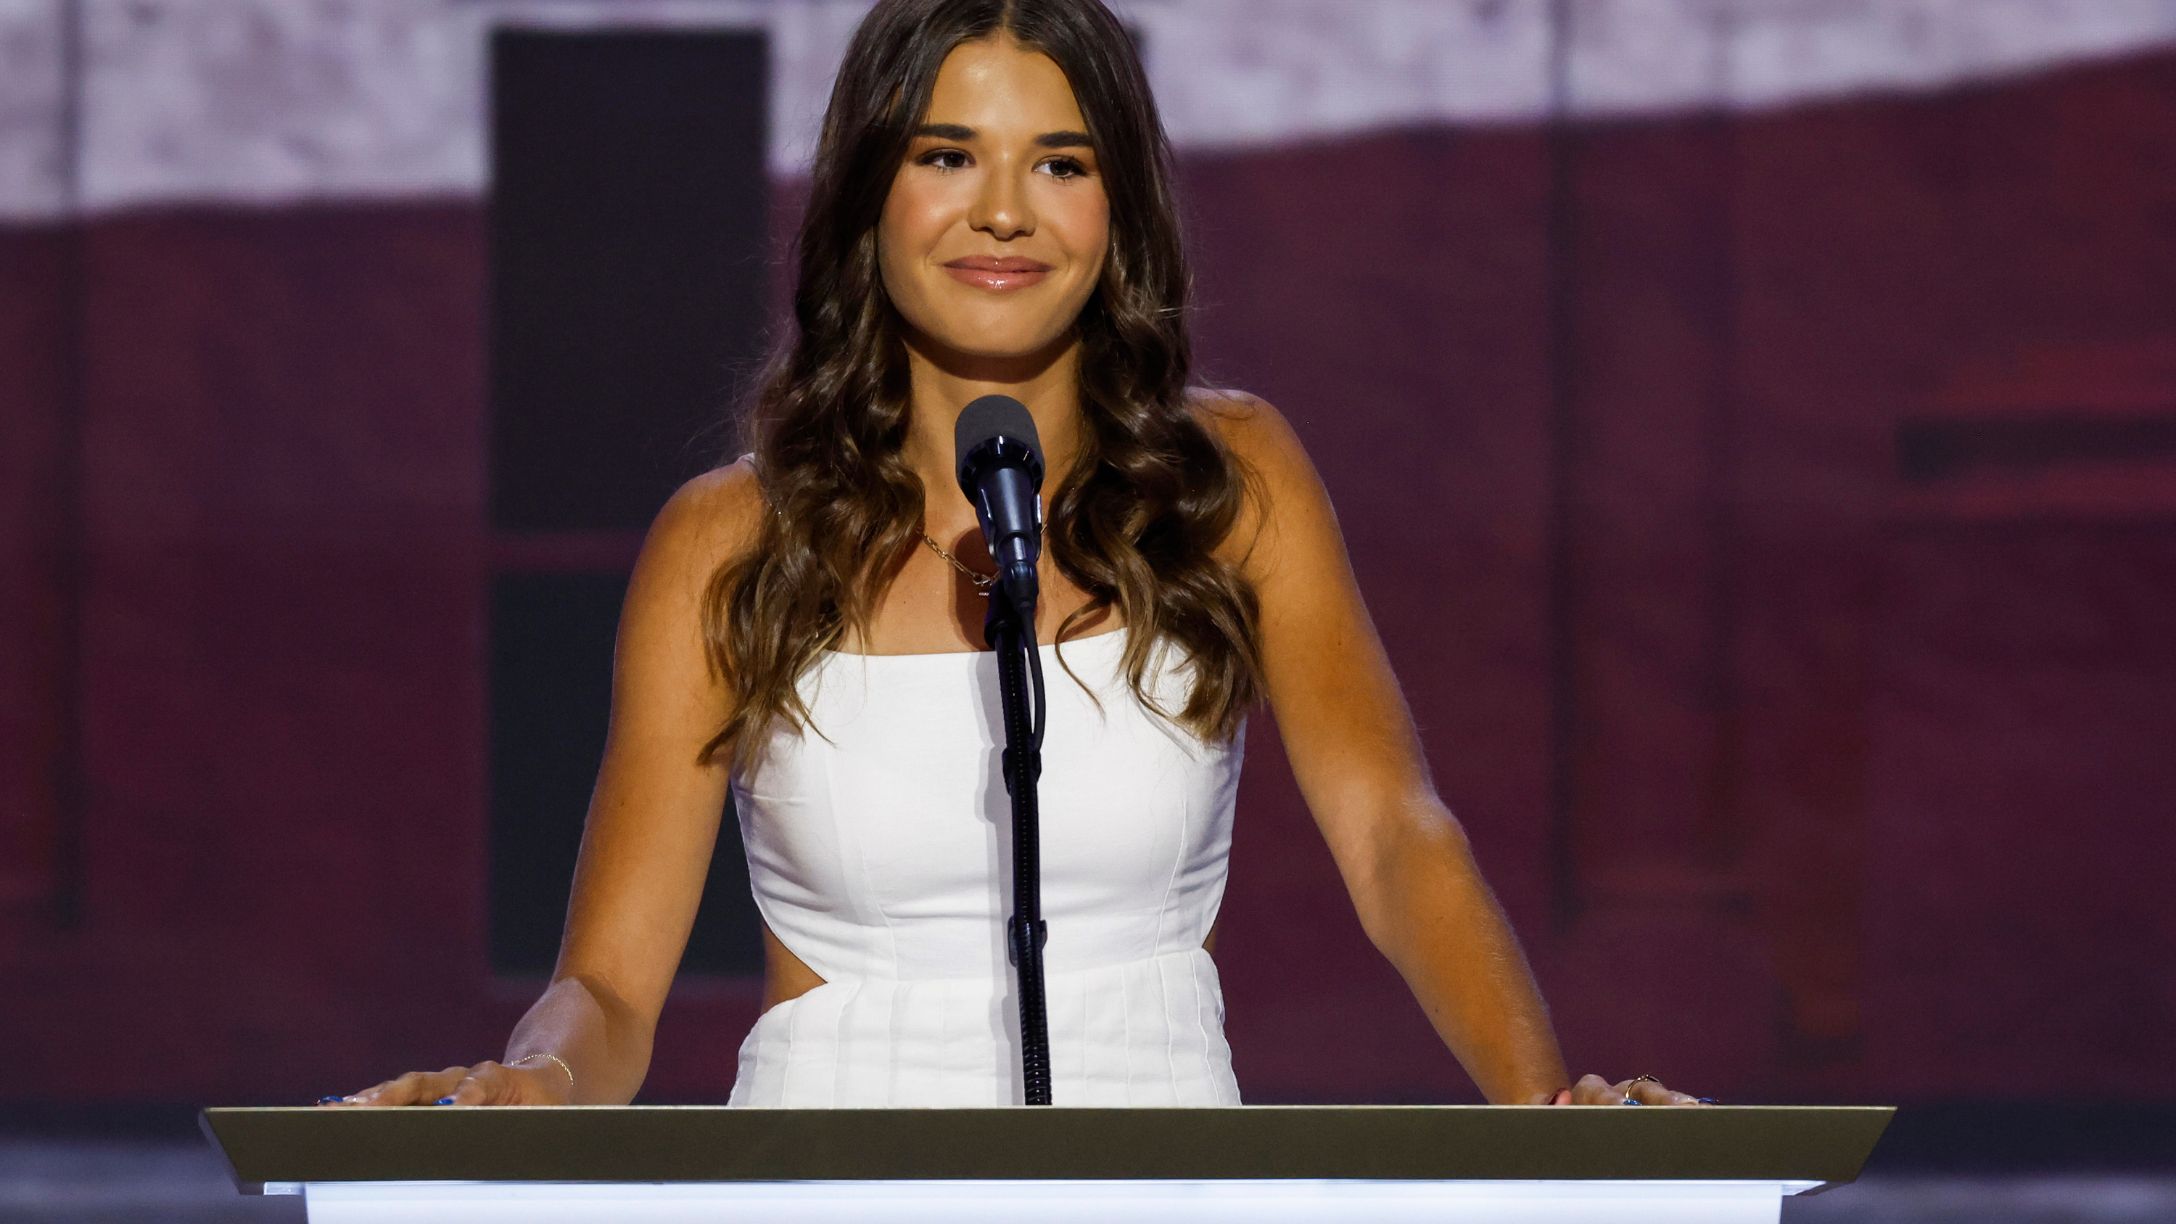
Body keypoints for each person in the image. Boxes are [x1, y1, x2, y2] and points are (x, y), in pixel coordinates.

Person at [322, 0, 1710, 1111]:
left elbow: (1395, 839)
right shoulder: (728, 541)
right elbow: (613, 990)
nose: (1005, 211)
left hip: (1159, 1166)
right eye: (946, 157)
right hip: (826, 1182)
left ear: (1120, 210)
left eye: (1061, 162)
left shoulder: (1233, 482)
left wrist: (1546, 1110)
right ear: (870, 196)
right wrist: (529, 1083)